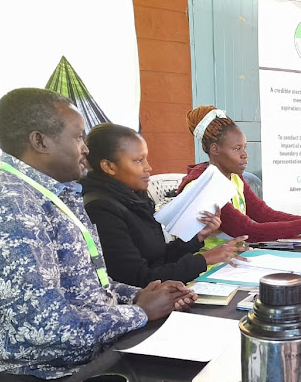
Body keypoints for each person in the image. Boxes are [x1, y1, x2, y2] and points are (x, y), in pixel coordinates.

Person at [0, 88, 195, 382]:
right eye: (77, 137)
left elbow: (87, 287)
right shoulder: (8, 204)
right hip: (39, 372)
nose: (85, 148)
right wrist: (140, 313)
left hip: (91, 348)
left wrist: (141, 295)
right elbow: (45, 327)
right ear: (40, 141)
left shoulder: (53, 193)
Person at [81, 123, 248, 287]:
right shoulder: (100, 210)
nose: (149, 167)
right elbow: (138, 278)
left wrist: (198, 238)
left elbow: (159, 257)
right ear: (109, 167)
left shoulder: (136, 198)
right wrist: (204, 260)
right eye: (139, 161)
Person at [179, 106, 301, 244]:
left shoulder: (234, 176)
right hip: (208, 267)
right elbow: (248, 230)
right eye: (237, 149)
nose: (245, 155)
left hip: (234, 258)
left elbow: (263, 214)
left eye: (245, 147)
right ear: (215, 149)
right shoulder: (202, 185)